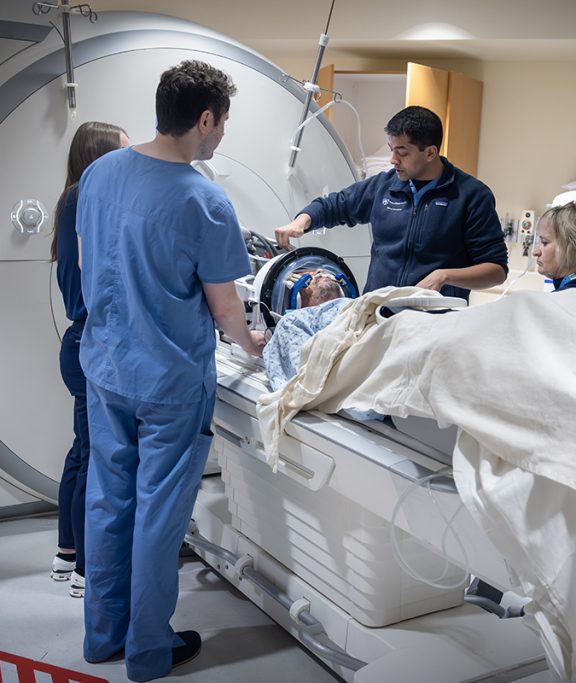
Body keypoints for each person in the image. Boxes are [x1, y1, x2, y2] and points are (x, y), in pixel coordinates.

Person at [75, 60, 264, 681]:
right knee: (157, 514)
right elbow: (225, 308)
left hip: (106, 370)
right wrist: (256, 343)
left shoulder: (101, 173)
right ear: (204, 119)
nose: (221, 137)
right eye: (224, 123)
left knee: (109, 501)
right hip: (168, 384)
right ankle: (149, 649)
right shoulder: (204, 201)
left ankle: (102, 637)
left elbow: (92, 259)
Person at [274, 105, 508, 300]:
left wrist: (444, 276)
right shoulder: (385, 186)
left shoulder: (471, 196)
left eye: (402, 152)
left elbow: (496, 271)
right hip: (377, 313)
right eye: (391, 150)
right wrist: (302, 221)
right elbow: (336, 204)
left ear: (430, 152)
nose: (393, 160)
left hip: (434, 321)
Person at [49, 121, 128, 598]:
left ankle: (67, 553)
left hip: (78, 343)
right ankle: (86, 571)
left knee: (82, 452)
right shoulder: (85, 200)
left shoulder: (72, 199)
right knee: (95, 457)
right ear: (100, 157)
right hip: (90, 345)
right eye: (122, 153)